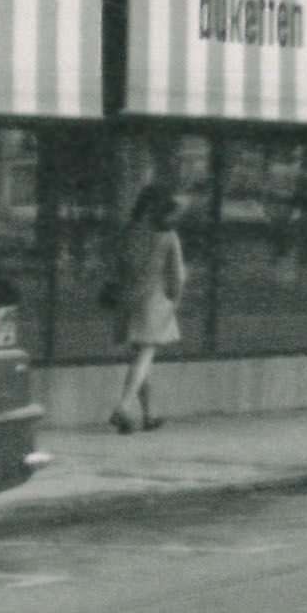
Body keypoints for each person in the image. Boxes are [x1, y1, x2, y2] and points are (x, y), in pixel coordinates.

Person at [108, 184, 184, 433]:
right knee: (145, 354)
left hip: (129, 297)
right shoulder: (167, 235)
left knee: (138, 357)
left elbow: (118, 264)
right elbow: (178, 276)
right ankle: (123, 407)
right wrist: (176, 300)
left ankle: (149, 414)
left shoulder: (129, 231)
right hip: (156, 299)